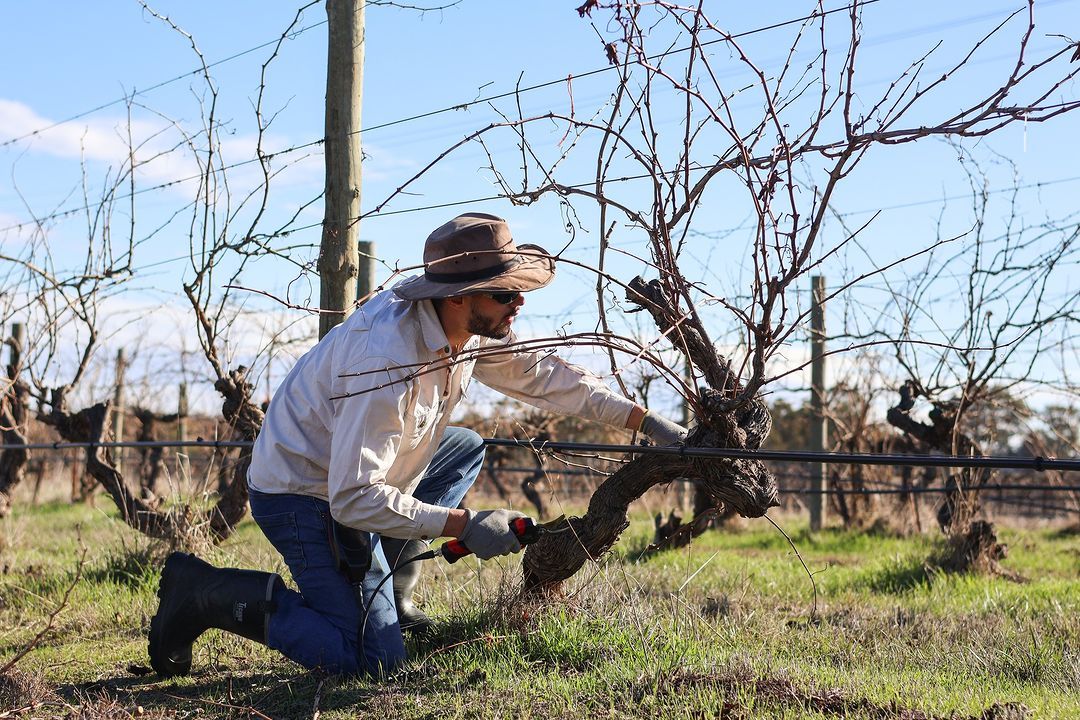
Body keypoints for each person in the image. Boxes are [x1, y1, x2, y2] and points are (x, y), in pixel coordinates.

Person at [148, 212, 688, 678]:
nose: (518, 301)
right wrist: (465, 525)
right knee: (368, 661)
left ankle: (391, 595)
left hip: (357, 481)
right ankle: (205, 593)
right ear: (458, 296)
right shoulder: (387, 363)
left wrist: (644, 421)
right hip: (305, 495)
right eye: (504, 291)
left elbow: (542, 372)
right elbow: (353, 497)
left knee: (462, 446)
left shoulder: (467, 330)